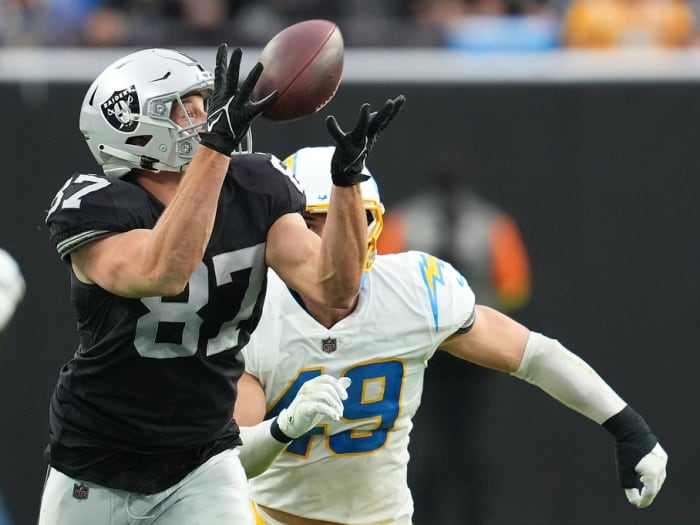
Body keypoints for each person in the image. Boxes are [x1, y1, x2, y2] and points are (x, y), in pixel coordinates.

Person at [40, 43, 404, 525]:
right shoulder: (96, 205)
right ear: (133, 124)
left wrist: (347, 181)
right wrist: (214, 149)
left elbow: (333, 289)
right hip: (96, 465)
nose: (205, 115)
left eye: (203, 103)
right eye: (185, 106)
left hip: (204, 460)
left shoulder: (255, 185)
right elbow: (163, 270)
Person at [233, 146, 668, 525]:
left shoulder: (413, 291)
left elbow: (533, 355)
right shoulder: (250, 308)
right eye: (312, 221)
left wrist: (627, 425)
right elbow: (232, 464)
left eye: (353, 218)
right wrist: (283, 429)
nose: (333, 240)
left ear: (376, 226)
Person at [378, 161, 532, 523]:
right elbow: (514, 288)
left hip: (458, 346)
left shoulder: (407, 221)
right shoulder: (492, 224)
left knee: (448, 441)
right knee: (443, 441)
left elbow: (381, 278)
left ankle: (461, 514)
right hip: (433, 347)